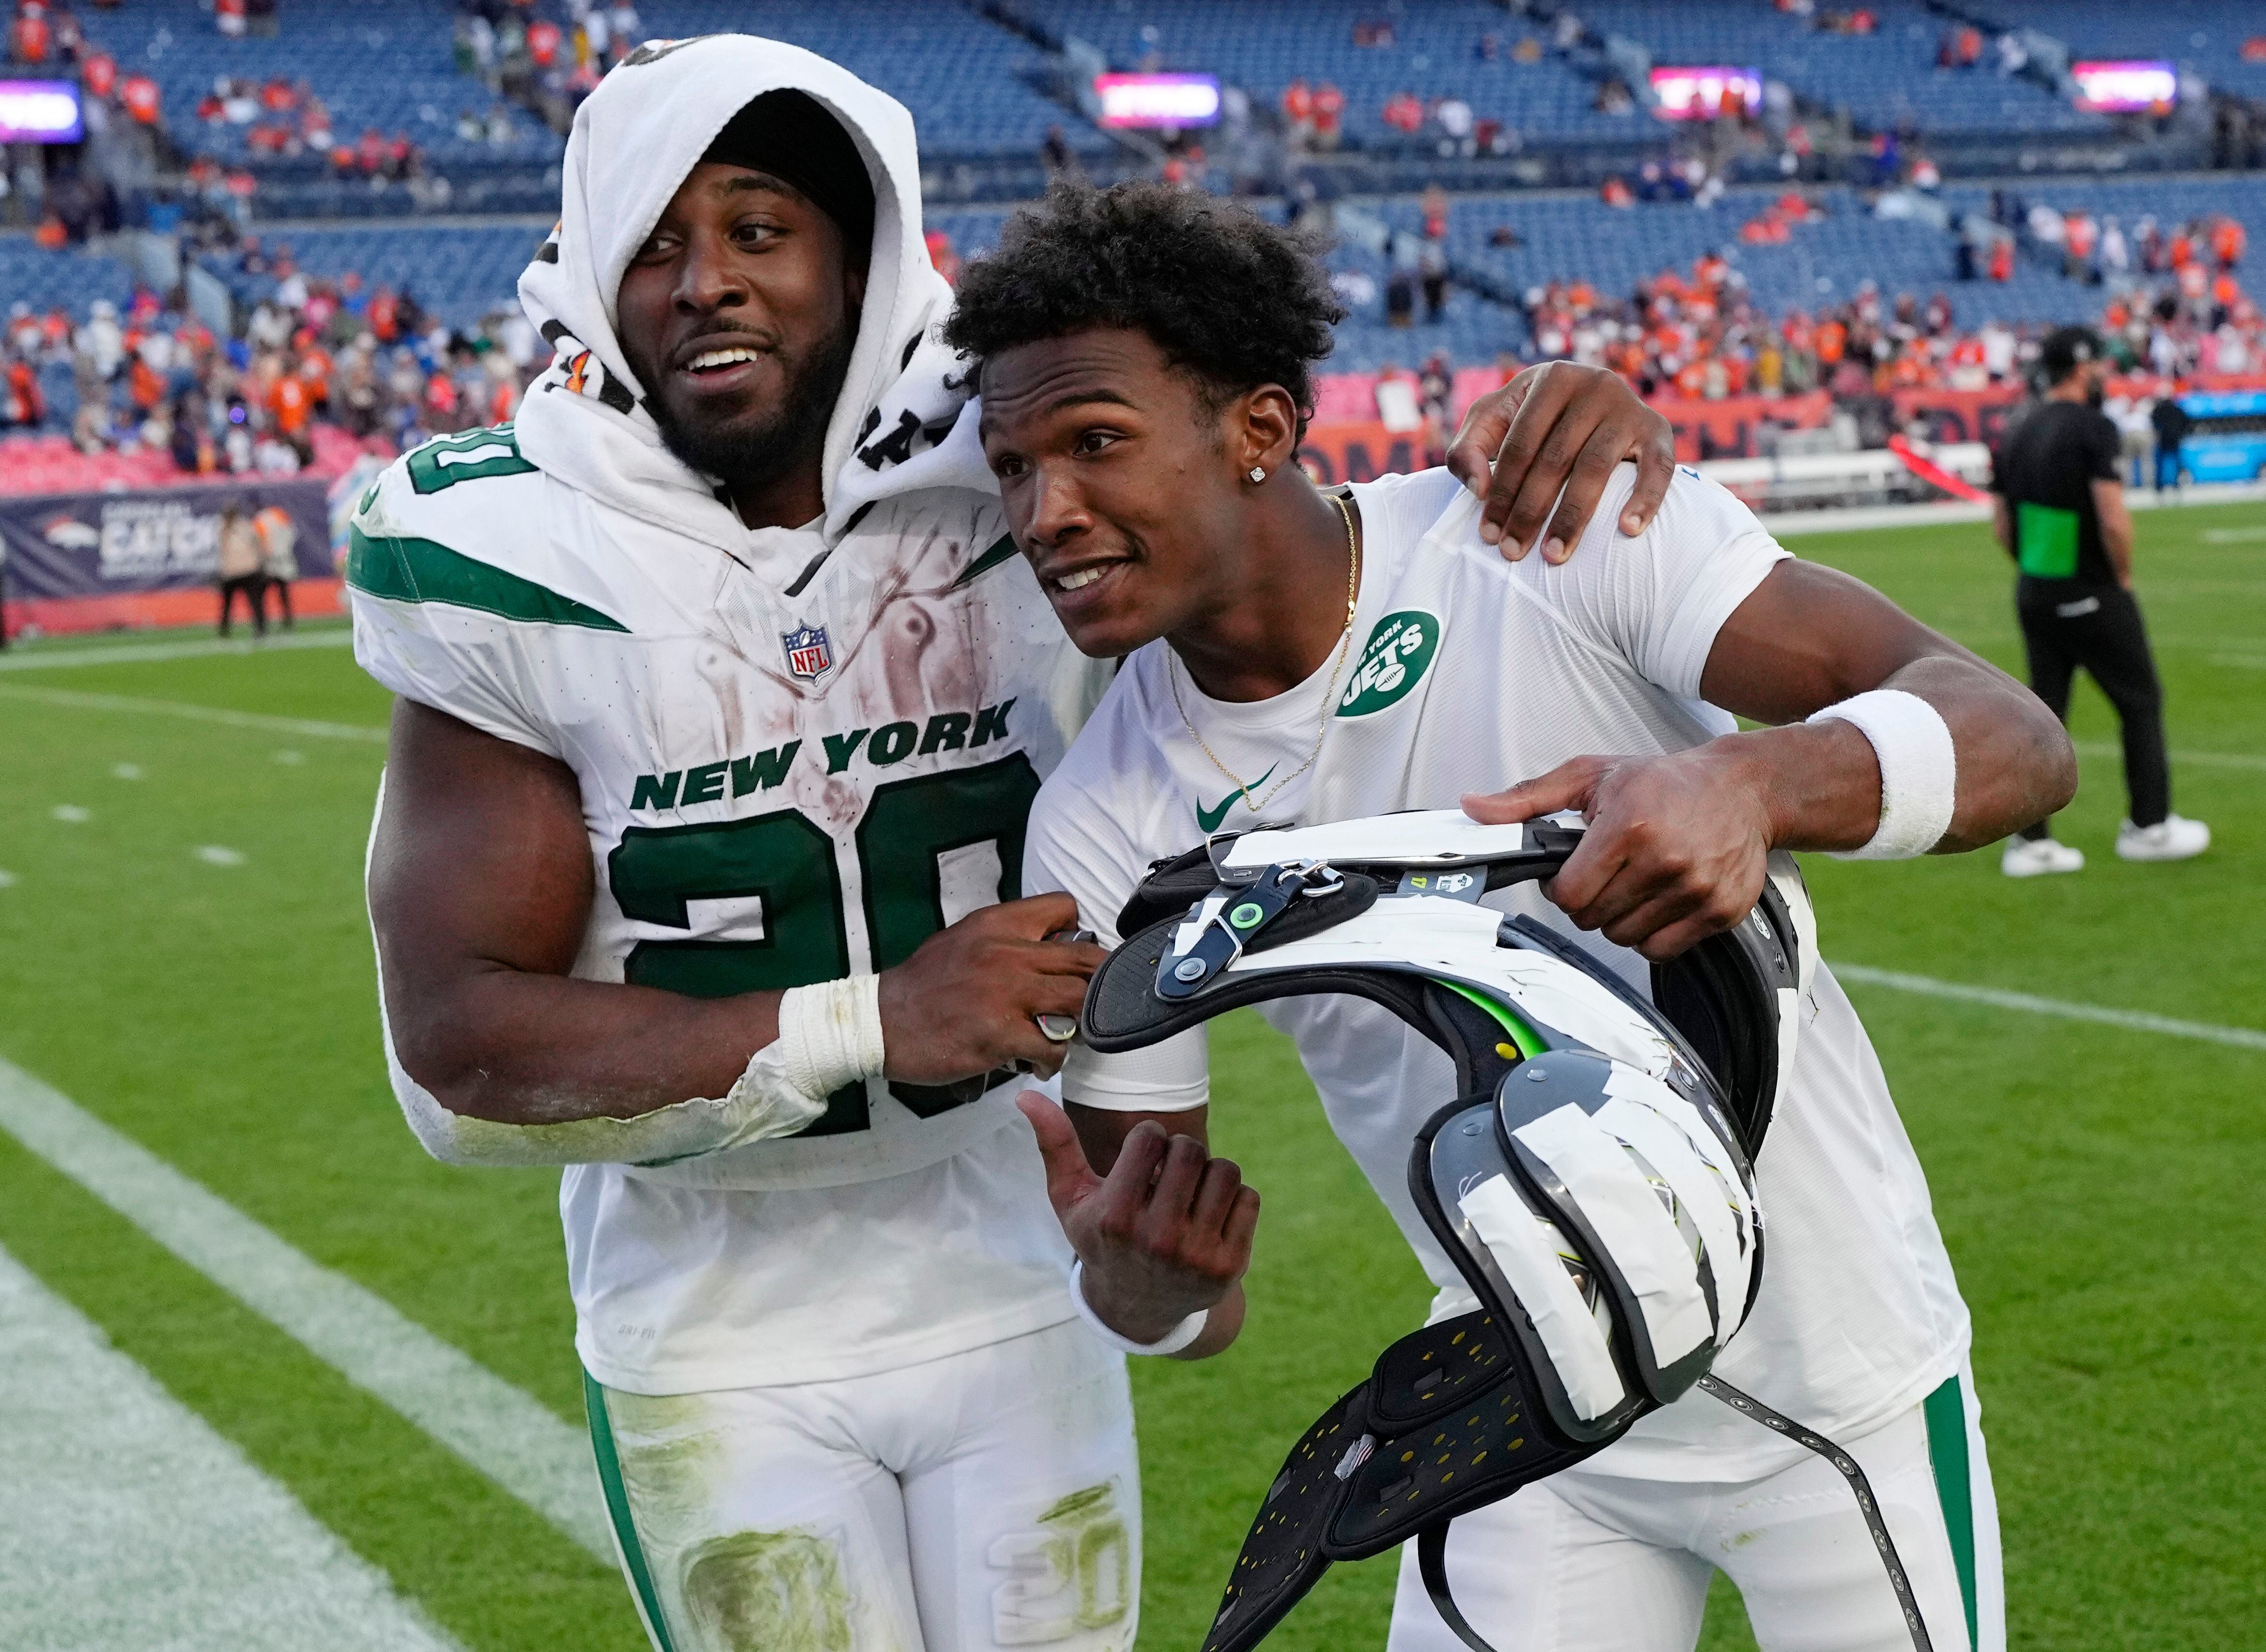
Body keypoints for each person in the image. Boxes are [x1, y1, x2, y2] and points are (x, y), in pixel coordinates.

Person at [349, 37, 1683, 1652]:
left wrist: (1553, 413)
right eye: (656, 242)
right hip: (710, 1309)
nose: (707, 282)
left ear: (860, 255)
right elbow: (458, 1052)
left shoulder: (991, 469)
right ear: (586, 271)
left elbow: (1274, 527)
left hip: (1006, 1260)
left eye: (762, 230)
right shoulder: (510, 545)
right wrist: (869, 1019)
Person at [943, 181, 2080, 1652]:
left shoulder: (1548, 532)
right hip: (1520, 1397)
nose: (1047, 512)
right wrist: (1141, 1282)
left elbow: (2013, 737)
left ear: (1263, 431)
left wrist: (1749, 779)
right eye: (1013, 467)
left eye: (1093, 442)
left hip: (1838, 1369)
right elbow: (1171, 1284)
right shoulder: (1102, 820)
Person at [1993, 327, 2208, 873]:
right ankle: (2150, 825)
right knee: (2139, 702)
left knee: (2044, 714)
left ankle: (2030, 841)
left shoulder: (2018, 427)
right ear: (2082, 368)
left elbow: (2001, 526)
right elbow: (2112, 516)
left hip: (2036, 591)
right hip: (2091, 590)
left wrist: (2040, 569)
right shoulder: (2092, 428)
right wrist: (2123, 576)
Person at [215, 498, 266, 638]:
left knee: (255, 602)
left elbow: (257, 544)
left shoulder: (245, 526)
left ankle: (261, 629)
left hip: (248, 570)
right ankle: (224, 632)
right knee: (227, 605)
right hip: (231, 572)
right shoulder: (223, 528)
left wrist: (259, 562)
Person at [254, 499, 298, 629]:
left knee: (262, 596)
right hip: (284, 559)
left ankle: (263, 625)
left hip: (269, 563)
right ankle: (288, 622)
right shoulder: (280, 515)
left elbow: (260, 542)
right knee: (284, 594)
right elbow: (292, 534)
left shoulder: (260, 519)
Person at [2148, 389, 2191, 494]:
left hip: (2164, 439)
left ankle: (2159, 486)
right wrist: (2180, 433)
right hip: (2175, 439)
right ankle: (2176, 484)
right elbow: (2186, 422)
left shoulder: (2159, 409)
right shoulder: (2177, 410)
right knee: (2176, 462)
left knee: (2161, 463)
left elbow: (2153, 421)